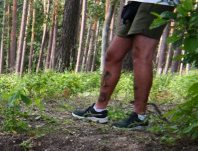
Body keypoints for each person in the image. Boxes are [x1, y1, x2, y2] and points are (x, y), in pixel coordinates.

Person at [72, 0, 178, 129]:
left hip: (157, 3)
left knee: (141, 55)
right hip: (137, 3)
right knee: (113, 55)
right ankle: (98, 110)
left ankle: (139, 116)